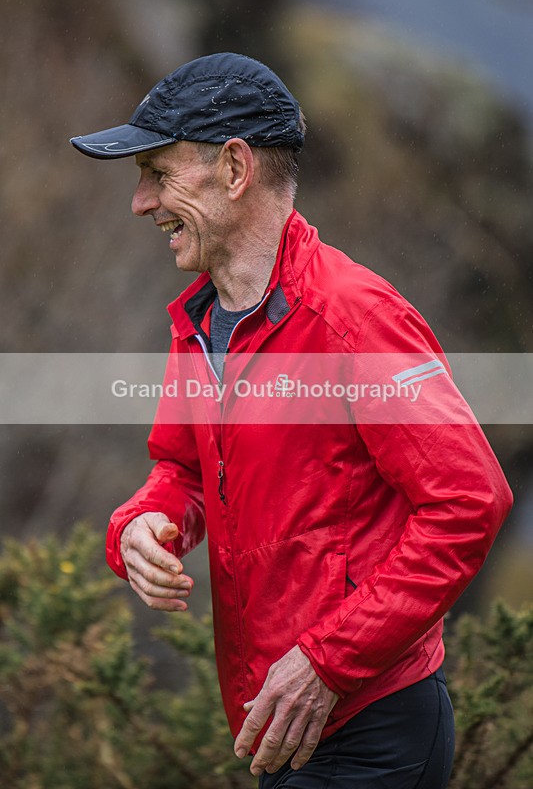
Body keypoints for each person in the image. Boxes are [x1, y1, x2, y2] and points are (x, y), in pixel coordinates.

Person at [71, 52, 513, 788]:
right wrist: (143, 524)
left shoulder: (353, 316)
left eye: (157, 174)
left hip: (366, 729)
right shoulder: (203, 320)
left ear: (234, 168)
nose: (141, 203)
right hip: (281, 722)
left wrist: (327, 662)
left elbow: (470, 502)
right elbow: (181, 470)